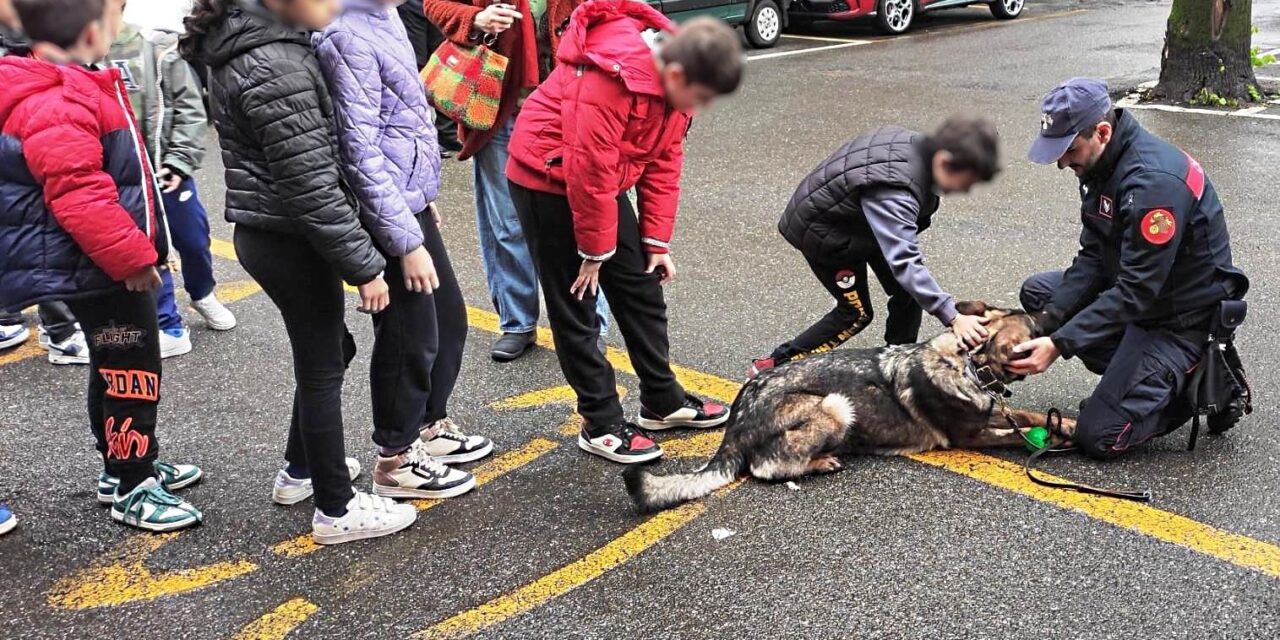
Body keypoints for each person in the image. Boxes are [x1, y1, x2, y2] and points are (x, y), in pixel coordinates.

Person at [181, 0, 415, 544]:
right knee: (321, 365)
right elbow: (310, 186)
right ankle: (335, 508)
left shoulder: (262, 44)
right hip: (290, 238)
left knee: (333, 350)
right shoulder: (275, 65)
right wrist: (365, 267)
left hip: (276, 233)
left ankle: (301, 470)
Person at [506, 3, 741, 463]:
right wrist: (593, 251)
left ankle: (662, 400)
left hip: (602, 177)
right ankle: (600, 421)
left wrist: (656, 241)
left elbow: (664, 158)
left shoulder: (678, 85)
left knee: (640, 286)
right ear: (674, 70)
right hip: (548, 175)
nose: (701, 106)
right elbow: (587, 168)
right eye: (700, 94)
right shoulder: (608, 76)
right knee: (577, 300)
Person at [1, 0, 204, 531]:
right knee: (130, 372)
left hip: (98, 264)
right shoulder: (59, 97)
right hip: (104, 267)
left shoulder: (75, 82)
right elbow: (79, 194)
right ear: (93, 31)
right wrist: (133, 258)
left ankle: (124, 465)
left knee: (117, 367)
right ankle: (133, 485)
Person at [1008, 78, 1249, 459]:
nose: (1061, 162)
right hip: (1138, 299)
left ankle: (1200, 383)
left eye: (1068, 149)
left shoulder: (1153, 186)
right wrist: (1047, 322)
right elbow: (1092, 257)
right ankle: (1136, 373)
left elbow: (1137, 292)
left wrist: (1058, 344)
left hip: (1177, 322)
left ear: (1102, 131)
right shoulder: (1100, 165)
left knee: (1098, 435)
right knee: (1040, 296)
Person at [314, 0, 492, 500]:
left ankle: (428, 427)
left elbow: (403, 118)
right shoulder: (344, 34)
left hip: (405, 199)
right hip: (382, 208)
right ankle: (395, 457)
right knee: (408, 333)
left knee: (449, 318)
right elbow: (360, 148)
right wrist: (404, 238)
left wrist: (423, 196)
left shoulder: (385, 15)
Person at [423, 0, 611, 362]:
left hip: (568, 104)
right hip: (500, 108)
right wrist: (474, 18)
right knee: (506, 223)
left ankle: (590, 324)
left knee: (579, 220)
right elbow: (433, 4)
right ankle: (517, 323)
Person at [752, 118, 1002, 378]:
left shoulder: (922, 149)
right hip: (826, 231)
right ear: (945, 161)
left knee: (909, 292)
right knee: (855, 314)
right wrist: (953, 317)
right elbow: (904, 260)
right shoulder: (896, 192)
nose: (966, 189)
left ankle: (897, 369)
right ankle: (774, 367)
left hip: (862, 222)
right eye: (967, 180)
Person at [108, 20, 238, 358]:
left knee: (193, 239)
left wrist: (179, 162)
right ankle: (167, 322)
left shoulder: (159, 49)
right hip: (124, 176)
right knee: (148, 246)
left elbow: (190, 111)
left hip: (167, 170)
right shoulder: (82, 53)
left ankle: (202, 293)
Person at [394, 0, 460, 157]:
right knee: (415, 67)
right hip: (410, 6)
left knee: (445, 64)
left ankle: (447, 135)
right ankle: (420, 134)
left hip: (441, 5)